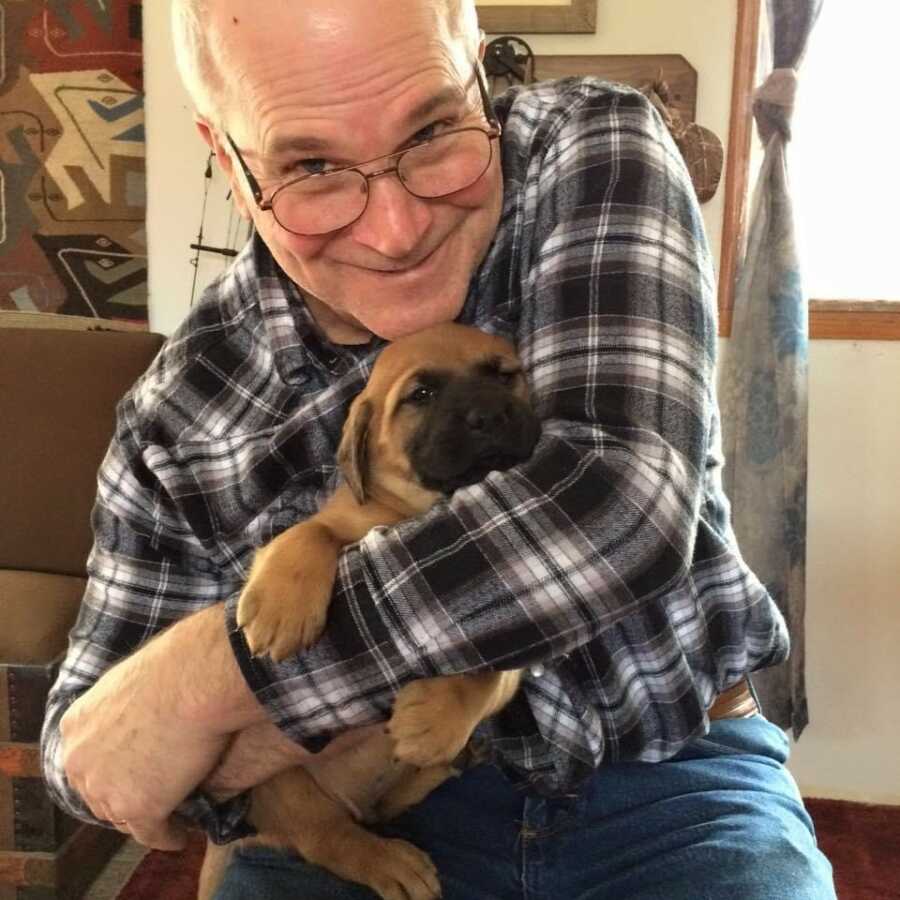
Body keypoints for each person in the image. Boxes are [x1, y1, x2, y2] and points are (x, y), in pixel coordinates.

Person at [41, 1, 836, 897]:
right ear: (227, 159)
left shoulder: (593, 151)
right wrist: (160, 735)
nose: (396, 228)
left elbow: (617, 510)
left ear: (483, 81)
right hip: (367, 816)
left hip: (671, 771)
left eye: (430, 133)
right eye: (310, 166)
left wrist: (212, 681)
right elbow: (96, 759)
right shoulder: (179, 407)